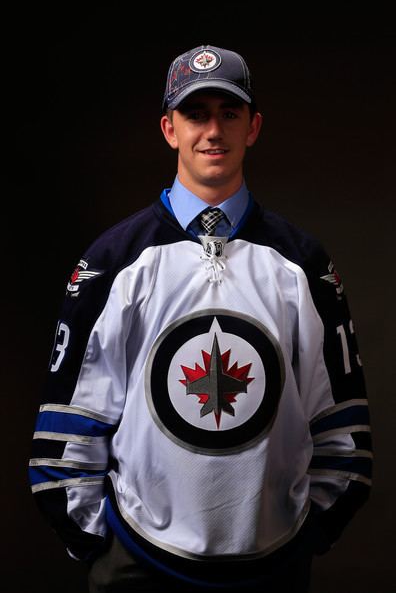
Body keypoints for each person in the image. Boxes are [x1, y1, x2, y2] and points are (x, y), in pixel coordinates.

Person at [29, 45, 372, 593]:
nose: (213, 131)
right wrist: (104, 546)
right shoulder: (113, 261)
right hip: (138, 564)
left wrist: (306, 535)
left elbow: (342, 428)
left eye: (229, 113)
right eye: (195, 114)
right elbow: (69, 427)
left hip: (274, 567)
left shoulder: (303, 263)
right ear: (169, 128)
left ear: (253, 127)